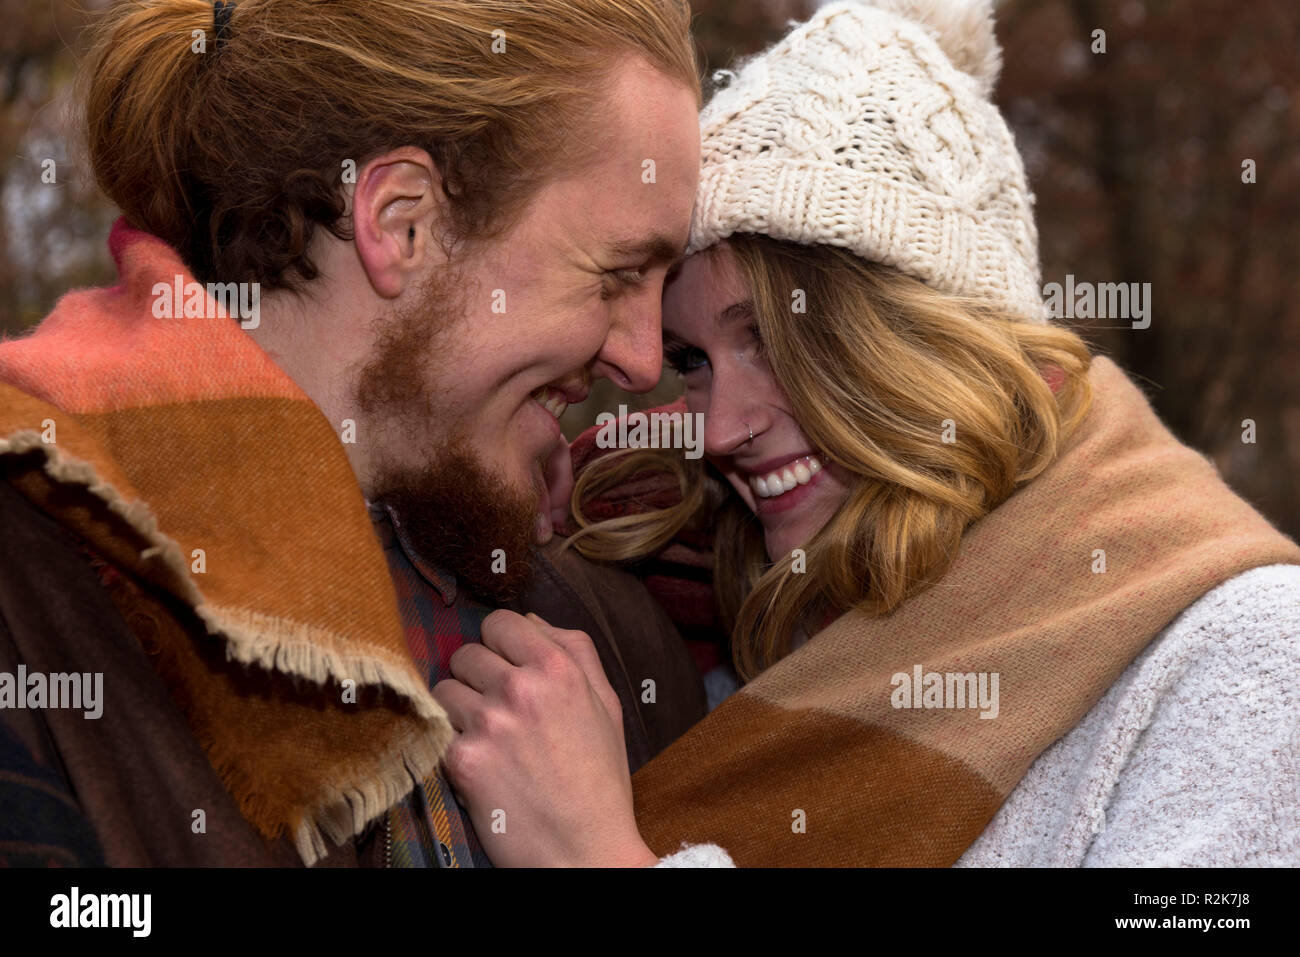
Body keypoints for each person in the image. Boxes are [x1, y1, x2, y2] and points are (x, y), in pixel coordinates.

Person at [430, 0, 1300, 867]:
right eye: (695, 360)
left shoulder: (1246, 655)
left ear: (927, 343)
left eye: (773, 342)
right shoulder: (739, 632)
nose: (722, 428)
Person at [0, 0, 709, 867]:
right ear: (400, 221)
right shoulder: (32, 591)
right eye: (617, 274)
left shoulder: (609, 630)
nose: (644, 359)